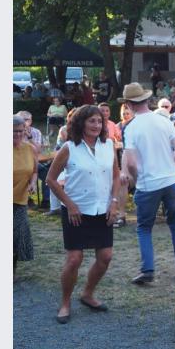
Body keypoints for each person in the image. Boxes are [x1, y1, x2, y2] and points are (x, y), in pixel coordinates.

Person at [45, 105, 120, 324]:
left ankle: (87, 294)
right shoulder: (69, 147)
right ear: (81, 123)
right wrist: (69, 204)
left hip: (102, 209)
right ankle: (65, 302)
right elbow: (50, 179)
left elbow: (116, 176)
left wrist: (114, 202)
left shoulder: (109, 145)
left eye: (99, 121)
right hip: (76, 211)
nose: (97, 125)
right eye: (91, 121)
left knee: (105, 257)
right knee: (74, 259)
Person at [119, 83, 175, 284]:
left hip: (148, 184)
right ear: (146, 100)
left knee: (144, 228)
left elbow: (130, 162)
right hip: (171, 181)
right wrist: (173, 170)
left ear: (129, 104)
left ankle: (148, 269)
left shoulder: (131, 128)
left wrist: (136, 179)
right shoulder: (164, 121)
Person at [13, 115, 37, 276]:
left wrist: (33, 183)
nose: (18, 135)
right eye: (14, 132)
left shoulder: (30, 148)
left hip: (20, 199)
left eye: (21, 131)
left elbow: (34, 171)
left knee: (17, 234)